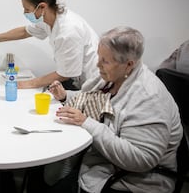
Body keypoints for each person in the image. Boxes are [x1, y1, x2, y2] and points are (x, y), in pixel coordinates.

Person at [48, 26, 183, 193]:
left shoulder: (149, 97)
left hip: (134, 181)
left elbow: (142, 159)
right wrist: (65, 96)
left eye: (105, 61)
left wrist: (86, 123)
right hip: (102, 163)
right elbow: (91, 97)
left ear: (128, 64)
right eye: (99, 57)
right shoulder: (113, 77)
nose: (98, 65)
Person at [0, 0, 99, 90]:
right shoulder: (48, 18)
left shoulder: (68, 31)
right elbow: (24, 32)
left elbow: (64, 74)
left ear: (42, 7)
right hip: (77, 78)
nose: (25, 13)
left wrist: (28, 84)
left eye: (27, 9)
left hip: (95, 83)